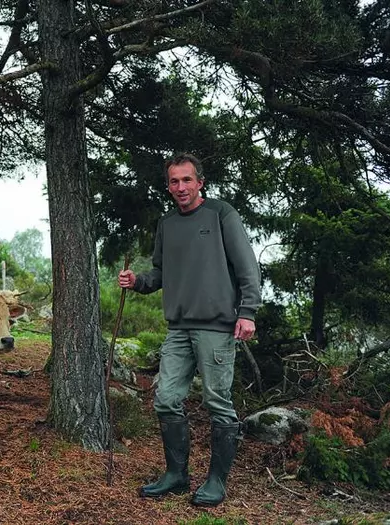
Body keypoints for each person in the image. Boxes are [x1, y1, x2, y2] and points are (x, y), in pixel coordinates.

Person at [118, 153, 261, 507]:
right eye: (174, 182)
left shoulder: (221, 213)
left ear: (200, 182)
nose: (180, 187)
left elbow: (247, 266)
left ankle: (216, 481)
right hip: (178, 328)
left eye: (186, 180)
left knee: (217, 402)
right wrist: (137, 281)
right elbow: (159, 275)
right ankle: (177, 475)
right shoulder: (166, 225)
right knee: (165, 398)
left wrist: (248, 312)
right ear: (168, 186)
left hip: (217, 326)